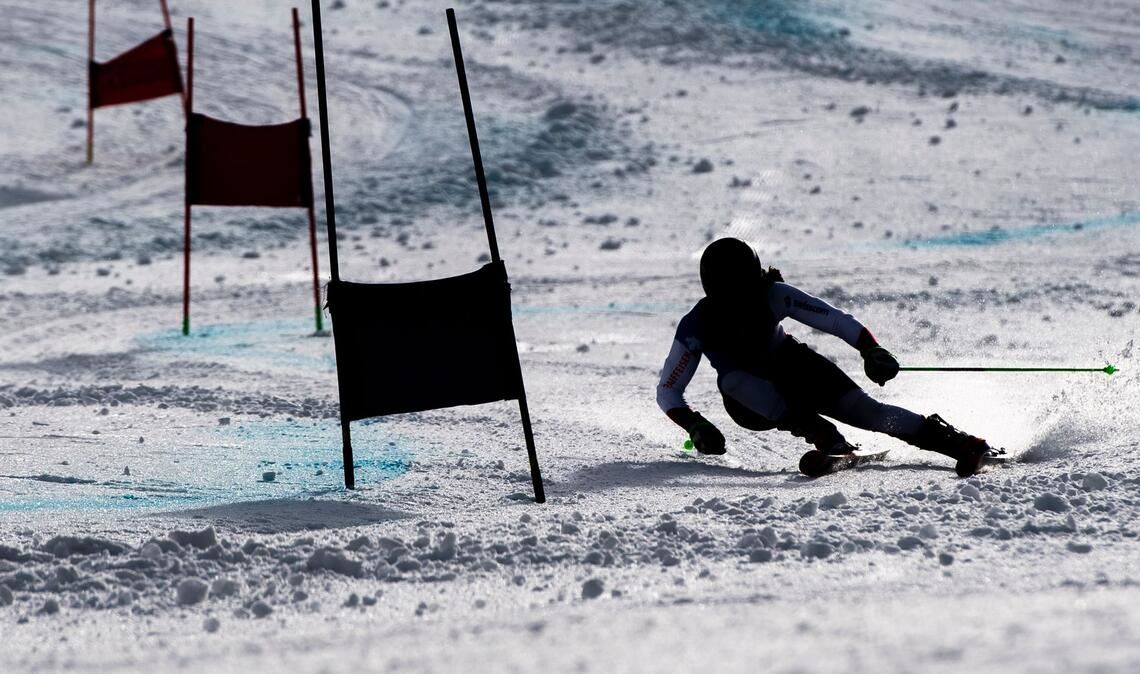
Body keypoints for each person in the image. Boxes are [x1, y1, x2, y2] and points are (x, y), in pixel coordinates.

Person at [656, 237, 996, 477]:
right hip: (751, 404)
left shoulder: (772, 294)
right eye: (730, 295)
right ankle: (824, 435)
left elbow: (833, 319)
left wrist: (870, 349)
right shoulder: (696, 324)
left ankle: (961, 444)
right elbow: (668, 391)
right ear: (712, 291)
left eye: (745, 291)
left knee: (868, 412)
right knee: (733, 379)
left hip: (796, 367)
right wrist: (696, 425)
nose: (740, 303)